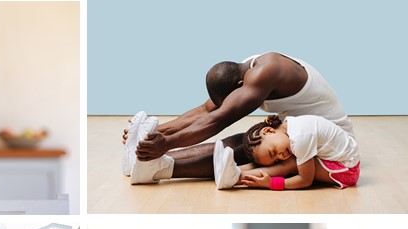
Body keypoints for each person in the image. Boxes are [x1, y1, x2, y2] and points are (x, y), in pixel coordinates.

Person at [126, 53, 352, 185]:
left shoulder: (265, 73)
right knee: (246, 140)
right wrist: (151, 136)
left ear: (240, 87)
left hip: (331, 143)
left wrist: (166, 143)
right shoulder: (244, 69)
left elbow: (217, 119)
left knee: (250, 150)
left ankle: (161, 170)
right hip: (301, 134)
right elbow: (206, 110)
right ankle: (148, 162)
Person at [214, 115, 360, 190]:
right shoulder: (289, 126)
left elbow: (305, 180)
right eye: (276, 158)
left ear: (268, 130)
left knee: (289, 163)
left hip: (346, 170)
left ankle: (235, 177)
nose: (281, 156)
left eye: (273, 152)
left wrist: (271, 183)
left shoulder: (299, 138)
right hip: (338, 159)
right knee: (285, 160)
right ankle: (233, 169)